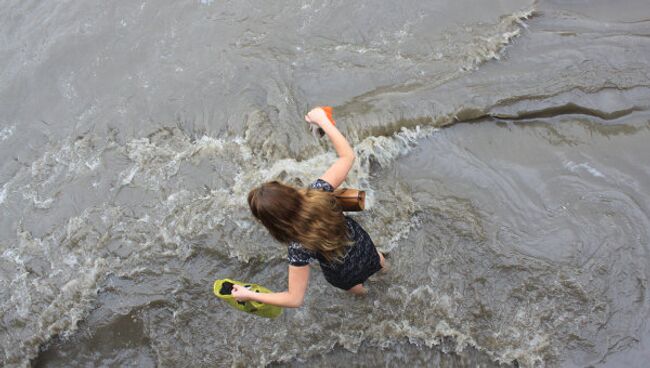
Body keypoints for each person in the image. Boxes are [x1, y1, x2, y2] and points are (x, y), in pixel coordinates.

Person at [231, 107, 386, 308]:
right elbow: (347, 157)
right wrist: (324, 121)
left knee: (356, 288)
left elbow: (294, 299)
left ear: (271, 222)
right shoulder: (319, 192)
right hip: (362, 245)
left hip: (342, 273)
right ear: (288, 191)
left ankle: (370, 300)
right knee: (379, 261)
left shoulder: (298, 246)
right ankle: (387, 274)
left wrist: (250, 295)